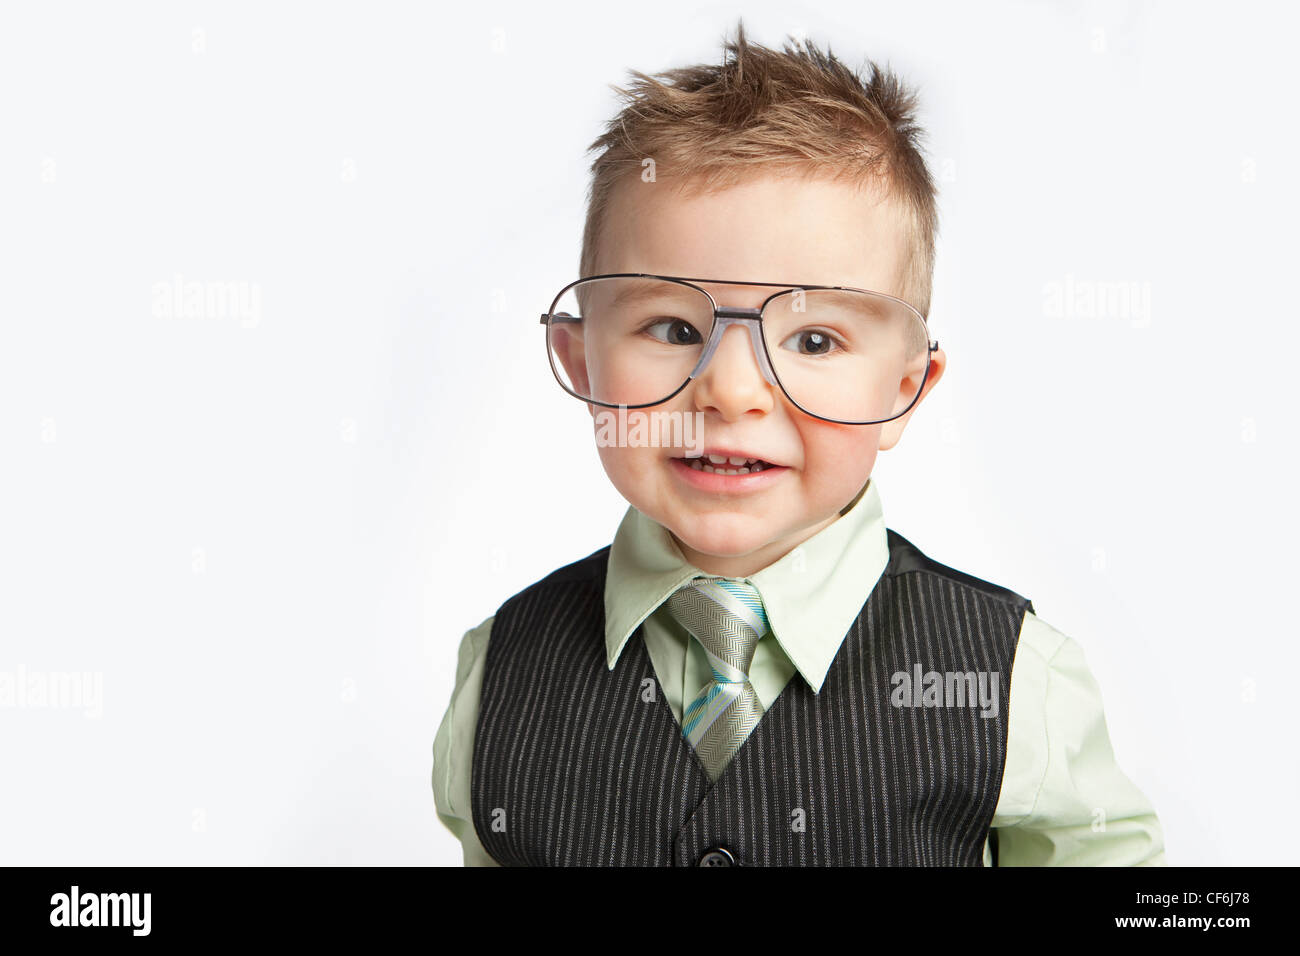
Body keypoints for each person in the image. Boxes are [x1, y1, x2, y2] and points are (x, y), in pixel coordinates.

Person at [432, 20, 1165, 866]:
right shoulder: (501, 672)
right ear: (580, 359)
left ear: (903, 391)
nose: (733, 391)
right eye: (670, 325)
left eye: (814, 340)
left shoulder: (1012, 678)